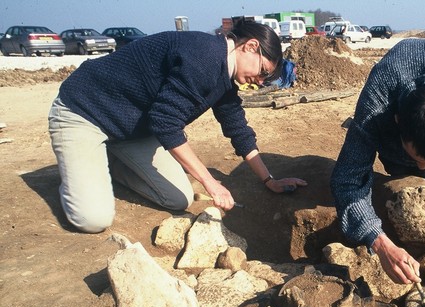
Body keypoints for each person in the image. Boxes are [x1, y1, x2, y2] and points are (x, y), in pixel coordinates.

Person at [48, 21, 307, 233]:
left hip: (131, 131)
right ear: (251, 46)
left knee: (177, 199)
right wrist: (210, 183)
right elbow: (166, 123)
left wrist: (269, 180)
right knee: (93, 220)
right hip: (84, 112)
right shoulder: (203, 56)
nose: (260, 81)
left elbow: (237, 127)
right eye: (262, 71)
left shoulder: (226, 75)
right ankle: (76, 175)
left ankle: (105, 163)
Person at [330, 39, 425, 285]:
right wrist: (380, 243)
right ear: (397, 121)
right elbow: (347, 179)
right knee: (401, 173)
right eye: (417, 157)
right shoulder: (377, 101)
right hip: (393, 94)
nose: (421, 166)